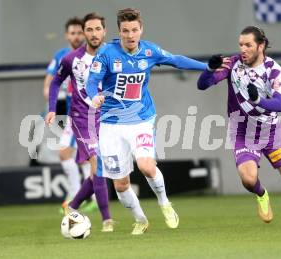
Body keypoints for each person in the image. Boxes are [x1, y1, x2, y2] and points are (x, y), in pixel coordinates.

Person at [86, 8, 207, 235]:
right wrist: (94, 96)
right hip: (111, 125)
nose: (130, 35)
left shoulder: (150, 51)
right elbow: (92, 81)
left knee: (146, 166)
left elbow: (176, 60)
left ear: (141, 30)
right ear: (119, 32)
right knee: (121, 184)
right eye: (125, 31)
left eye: (134, 30)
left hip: (141, 119)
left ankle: (164, 202)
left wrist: (207, 66)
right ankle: (140, 219)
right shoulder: (106, 54)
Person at [197, 26, 281, 227]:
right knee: (248, 179)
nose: (243, 49)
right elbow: (203, 85)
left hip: (271, 131)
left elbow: (279, 104)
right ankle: (262, 194)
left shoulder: (273, 69)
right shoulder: (232, 64)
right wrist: (209, 69)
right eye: (241, 45)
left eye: (248, 45)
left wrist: (258, 100)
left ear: (261, 46)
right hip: (242, 131)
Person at [45, 13, 113, 232]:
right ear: (84, 33)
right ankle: (106, 220)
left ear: (104, 31)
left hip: (110, 119)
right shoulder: (69, 58)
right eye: (89, 30)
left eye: (97, 29)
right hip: (82, 118)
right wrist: (53, 109)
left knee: (104, 173)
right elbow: (54, 82)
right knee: (96, 166)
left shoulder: (113, 54)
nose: (93, 34)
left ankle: (73, 204)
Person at [43, 17, 89, 208]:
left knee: (71, 153)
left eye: (80, 33)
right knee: (82, 156)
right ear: (66, 35)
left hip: (85, 112)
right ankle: (84, 196)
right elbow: (49, 83)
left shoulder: (91, 54)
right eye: (73, 33)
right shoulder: (62, 55)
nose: (77, 36)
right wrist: (52, 103)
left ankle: (78, 195)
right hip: (70, 111)